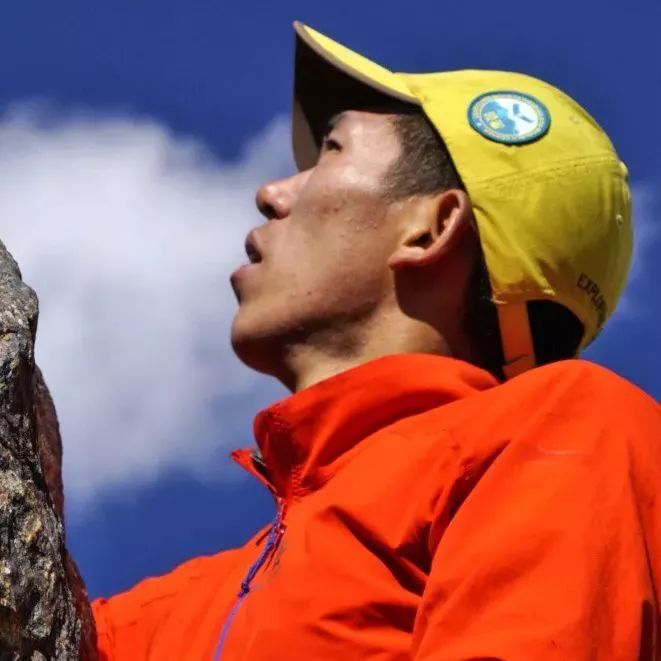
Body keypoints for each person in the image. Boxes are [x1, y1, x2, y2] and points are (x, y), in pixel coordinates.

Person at [91, 21, 661, 660]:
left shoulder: (568, 428)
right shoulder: (163, 616)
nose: (271, 193)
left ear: (432, 227)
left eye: (329, 151)